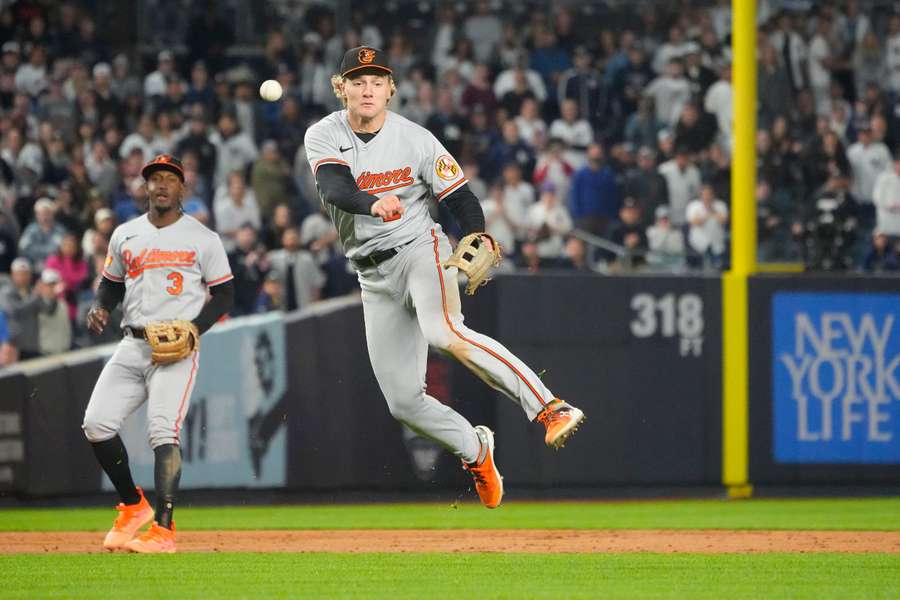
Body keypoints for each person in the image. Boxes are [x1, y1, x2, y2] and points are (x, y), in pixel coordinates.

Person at [304, 47, 585, 509]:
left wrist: (475, 233)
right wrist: (371, 202)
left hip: (420, 250)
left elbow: (458, 195)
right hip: (372, 276)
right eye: (358, 81)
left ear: (391, 89)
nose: (368, 88)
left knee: (445, 331)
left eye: (377, 80)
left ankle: (549, 406)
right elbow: (335, 186)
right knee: (403, 402)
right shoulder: (325, 134)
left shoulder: (416, 138)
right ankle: (476, 450)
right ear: (342, 89)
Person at [81, 154, 235, 553]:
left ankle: (164, 532)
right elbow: (110, 284)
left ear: (182, 188)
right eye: (155, 178)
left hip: (176, 349)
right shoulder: (125, 234)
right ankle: (133, 505)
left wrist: (194, 329)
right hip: (132, 344)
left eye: (170, 178)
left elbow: (226, 293)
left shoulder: (203, 238)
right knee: (96, 424)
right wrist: (100, 307)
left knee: (162, 430)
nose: (162, 184)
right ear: (144, 187)